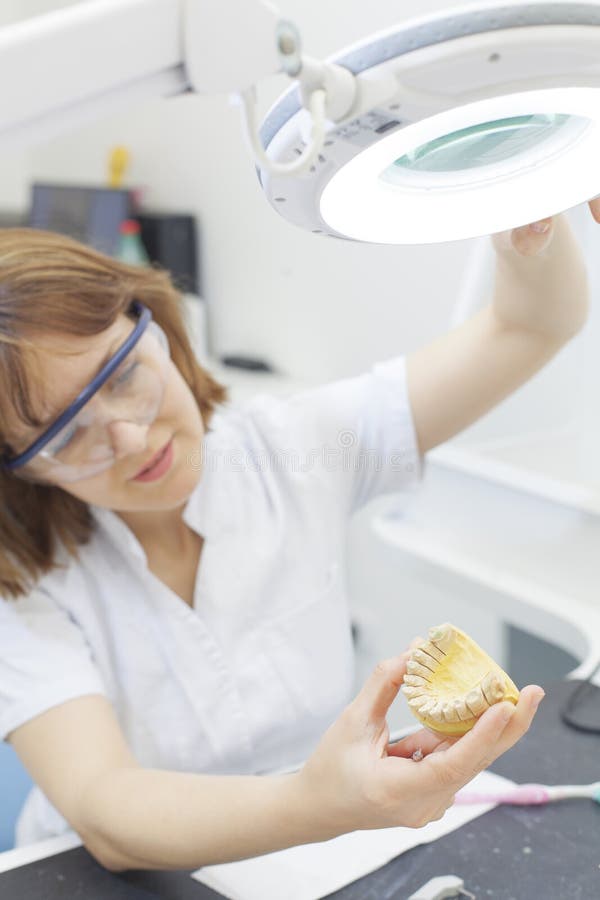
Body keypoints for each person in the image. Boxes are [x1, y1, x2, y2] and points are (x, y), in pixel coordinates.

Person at [0, 202, 595, 871]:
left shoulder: (291, 449)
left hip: (317, 861)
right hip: (103, 876)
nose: (130, 437)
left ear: (159, 327)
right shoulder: (21, 583)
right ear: (21, 465)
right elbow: (110, 808)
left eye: (123, 373)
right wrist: (325, 803)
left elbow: (531, 324)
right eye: (66, 432)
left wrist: (526, 217)